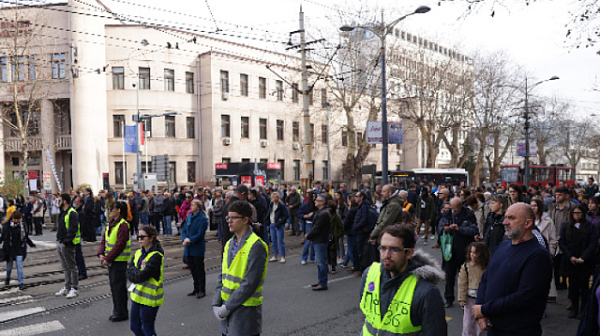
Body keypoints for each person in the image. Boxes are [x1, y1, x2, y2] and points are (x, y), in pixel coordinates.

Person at [472, 203, 553, 335]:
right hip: (492, 326)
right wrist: (480, 313)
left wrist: (485, 309)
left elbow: (525, 297)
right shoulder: (503, 246)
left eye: (511, 218)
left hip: (518, 330)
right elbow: (486, 278)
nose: (505, 222)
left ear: (527, 223)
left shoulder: (538, 256)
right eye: (505, 217)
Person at [360, 224, 447, 335]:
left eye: (394, 249)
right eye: (383, 248)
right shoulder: (369, 274)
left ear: (409, 253)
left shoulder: (426, 292)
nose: (386, 255)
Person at [212, 200, 268, 336]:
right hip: (227, 314)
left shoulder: (256, 245)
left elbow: (250, 283)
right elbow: (222, 276)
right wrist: (215, 303)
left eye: (233, 217)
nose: (229, 221)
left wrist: (227, 307)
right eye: (228, 217)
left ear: (245, 219)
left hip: (245, 313)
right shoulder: (229, 244)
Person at [438, 197, 479, 308]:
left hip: (464, 249)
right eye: (452, 207)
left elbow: (474, 230)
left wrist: (459, 229)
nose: (453, 210)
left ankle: (464, 299)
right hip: (449, 250)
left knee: (464, 276)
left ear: (461, 206)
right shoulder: (446, 214)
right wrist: (444, 229)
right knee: (449, 276)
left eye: (456, 208)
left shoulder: (468, 214)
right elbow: (439, 228)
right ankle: (448, 299)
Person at [559, 204, 598, 319]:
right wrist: (570, 256)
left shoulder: (589, 226)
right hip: (571, 261)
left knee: (585, 286)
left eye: (579, 213)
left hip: (585, 261)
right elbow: (562, 242)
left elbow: (593, 243)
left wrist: (583, 257)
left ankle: (583, 309)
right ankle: (574, 308)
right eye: (574, 213)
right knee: (573, 286)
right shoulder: (566, 226)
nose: (576, 215)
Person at [98, 201, 132, 322]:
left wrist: (107, 258)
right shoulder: (111, 223)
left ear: (119, 210)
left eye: (112, 208)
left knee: (119, 287)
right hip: (113, 261)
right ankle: (117, 310)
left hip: (119, 261)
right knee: (114, 287)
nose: (109, 210)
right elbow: (104, 240)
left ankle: (121, 312)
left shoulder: (123, 225)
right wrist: (101, 253)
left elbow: (120, 245)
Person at [127, 225, 164, 336]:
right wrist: (135, 274)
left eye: (142, 237)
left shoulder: (156, 256)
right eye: (138, 237)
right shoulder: (138, 252)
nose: (139, 239)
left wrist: (135, 274)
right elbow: (130, 271)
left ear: (151, 238)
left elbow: (142, 275)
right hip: (137, 296)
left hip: (150, 299)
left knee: (148, 329)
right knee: (134, 327)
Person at [458, 242, 490, 336]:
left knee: (482, 326)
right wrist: (461, 298)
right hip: (469, 299)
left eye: (475, 253)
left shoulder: (487, 267)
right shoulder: (466, 266)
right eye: (471, 252)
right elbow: (462, 283)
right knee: (468, 324)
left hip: (483, 300)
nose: (472, 255)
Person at [549, 186, 577, 290]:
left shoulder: (573, 207)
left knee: (566, 262)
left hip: (568, 240)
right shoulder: (552, 207)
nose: (557, 197)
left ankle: (565, 282)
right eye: (556, 195)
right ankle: (557, 283)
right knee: (555, 263)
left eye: (560, 195)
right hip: (554, 239)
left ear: (566, 196)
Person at [54, 193, 81, 299]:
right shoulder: (63, 212)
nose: (58, 202)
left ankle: (74, 287)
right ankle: (67, 286)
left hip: (68, 244)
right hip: (61, 242)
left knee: (71, 266)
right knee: (65, 266)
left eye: (60, 200)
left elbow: (73, 229)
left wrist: (66, 241)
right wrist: (58, 239)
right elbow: (61, 227)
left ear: (65, 201)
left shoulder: (72, 213)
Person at [1, 211, 36, 289]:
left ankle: (21, 283)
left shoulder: (22, 226)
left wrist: (32, 244)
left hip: (19, 249)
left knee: (19, 266)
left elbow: (25, 237)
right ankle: (7, 278)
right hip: (9, 250)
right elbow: (3, 237)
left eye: (18, 219)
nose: (16, 220)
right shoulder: (6, 226)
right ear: (12, 218)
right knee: (9, 267)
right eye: (15, 219)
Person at [182, 199, 209, 299]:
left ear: (198, 207)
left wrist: (190, 239)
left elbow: (200, 233)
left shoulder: (202, 218)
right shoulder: (190, 216)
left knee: (199, 269)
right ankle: (196, 288)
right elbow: (184, 229)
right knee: (193, 268)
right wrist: (184, 238)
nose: (191, 206)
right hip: (189, 246)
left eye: (193, 205)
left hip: (197, 246)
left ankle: (202, 289)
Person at [306, 194, 331, 291]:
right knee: (319, 261)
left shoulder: (323, 213)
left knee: (321, 262)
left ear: (322, 202)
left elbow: (317, 227)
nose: (315, 201)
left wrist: (308, 235)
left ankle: (323, 283)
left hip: (320, 239)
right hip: (318, 239)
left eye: (317, 200)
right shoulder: (321, 212)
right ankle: (321, 281)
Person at [265, 192, 289, 263]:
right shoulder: (271, 205)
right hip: (272, 224)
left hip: (279, 224)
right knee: (273, 240)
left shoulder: (281, 205)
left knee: (280, 241)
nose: (274, 199)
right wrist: (267, 221)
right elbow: (269, 213)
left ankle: (283, 256)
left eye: (275, 197)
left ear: (278, 198)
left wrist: (280, 221)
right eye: (273, 197)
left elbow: (285, 215)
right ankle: (275, 255)